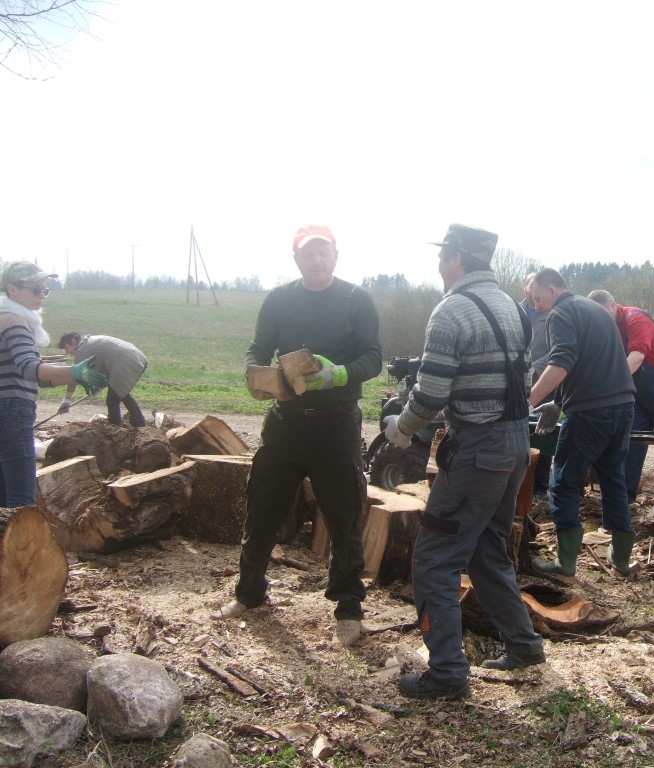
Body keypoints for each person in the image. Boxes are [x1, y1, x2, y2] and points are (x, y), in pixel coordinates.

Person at [383, 223, 545, 701]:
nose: (437, 265)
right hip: (515, 445)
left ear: (457, 259)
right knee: (487, 548)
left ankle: (449, 674)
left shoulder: (451, 311)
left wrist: (402, 429)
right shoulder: (516, 310)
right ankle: (524, 645)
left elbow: (431, 394)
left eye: (442, 256)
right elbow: (522, 375)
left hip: (479, 449)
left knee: (434, 558)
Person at [211, 225, 382, 649]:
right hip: (285, 423)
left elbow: (373, 358)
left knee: (344, 518)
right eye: (309, 254)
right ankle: (248, 594)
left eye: (323, 253)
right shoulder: (279, 300)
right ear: (297, 260)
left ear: (336, 255)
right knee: (262, 507)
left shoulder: (356, 300)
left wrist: (337, 375)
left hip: (337, 424)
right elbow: (258, 347)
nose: (317, 260)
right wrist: (254, 372)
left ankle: (348, 609)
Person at [527, 268, 636, 577]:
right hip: (624, 405)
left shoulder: (559, 314)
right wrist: (559, 403)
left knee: (563, 481)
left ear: (551, 289)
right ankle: (622, 558)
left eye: (537, 298)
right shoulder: (595, 310)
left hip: (591, 412)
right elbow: (592, 361)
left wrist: (529, 403)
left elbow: (561, 363)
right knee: (613, 479)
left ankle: (565, 562)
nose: (535, 305)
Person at [0, 261, 106, 506]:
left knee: (4, 499)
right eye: (35, 290)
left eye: (44, 290)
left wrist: (73, 377)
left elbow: (33, 377)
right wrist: (74, 371)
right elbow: (28, 369)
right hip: (13, 411)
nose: (42, 296)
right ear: (12, 289)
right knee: (21, 501)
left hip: (5, 407)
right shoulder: (15, 322)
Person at [587, 290, 654, 503]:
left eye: (600, 313)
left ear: (611, 305)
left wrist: (608, 384)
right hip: (636, 388)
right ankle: (623, 497)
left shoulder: (635, 318)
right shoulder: (606, 326)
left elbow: (636, 356)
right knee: (631, 439)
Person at [57, 332, 149, 427]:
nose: (66, 352)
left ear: (72, 342)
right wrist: (98, 385)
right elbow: (101, 367)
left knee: (112, 401)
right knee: (121, 393)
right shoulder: (88, 341)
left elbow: (74, 377)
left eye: (66, 348)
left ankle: (115, 430)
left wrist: (66, 400)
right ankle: (139, 422)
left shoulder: (81, 351)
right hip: (136, 356)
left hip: (126, 362)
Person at [521, 271, 552, 498]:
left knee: (543, 431)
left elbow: (555, 352)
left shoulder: (550, 313)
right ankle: (519, 483)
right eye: (528, 286)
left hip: (544, 379)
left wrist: (533, 368)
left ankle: (540, 486)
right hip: (517, 381)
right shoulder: (515, 310)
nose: (533, 294)